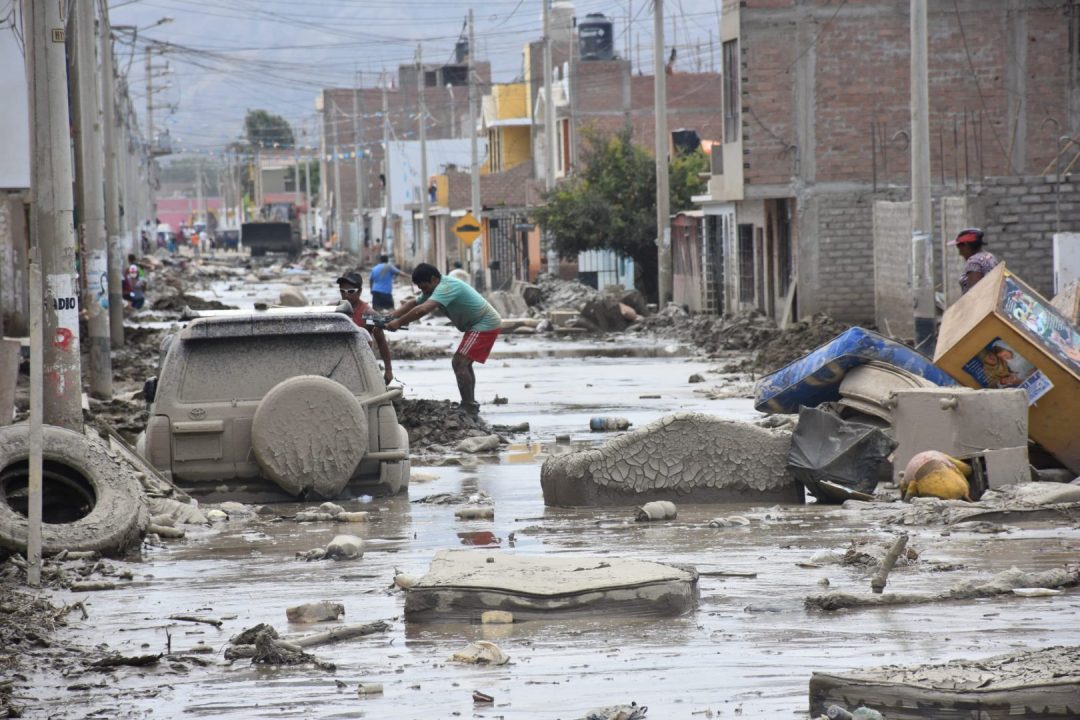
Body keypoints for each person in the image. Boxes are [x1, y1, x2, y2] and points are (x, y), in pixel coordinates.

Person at [386, 263, 502, 415]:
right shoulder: (434, 288)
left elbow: (423, 309)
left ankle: (468, 406)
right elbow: (414, 303)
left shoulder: (446, 287)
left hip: (484, 324)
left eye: (425, 288)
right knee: (463, 364)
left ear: (434, 280)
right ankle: (470, 404)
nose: (423, 292)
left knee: (460, 363)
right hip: (476, 325)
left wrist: (399, 322)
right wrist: (390, 317)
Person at [337, 271, 394, 385]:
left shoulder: (368, 314)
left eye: (351, 291)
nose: (346, 295)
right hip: (339, 362)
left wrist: (388, 370)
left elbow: (381, 341)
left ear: (360, 292)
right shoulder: (335, 310)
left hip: (361, 363)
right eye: (342, 291)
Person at [950, 227, 998, 294]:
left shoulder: (973, 262)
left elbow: (974, 293)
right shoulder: (989, 256)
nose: (960, 253)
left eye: (960, 249)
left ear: (966, 246)